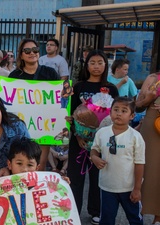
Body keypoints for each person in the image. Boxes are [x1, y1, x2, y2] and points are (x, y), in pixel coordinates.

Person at [67, 49, 119, 225]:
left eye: (100, 63)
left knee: (98, 177)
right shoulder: (78, 87)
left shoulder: (111, 89)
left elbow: (115, 113)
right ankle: (73, 211)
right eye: (92, 63)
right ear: (87, 65)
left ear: (106, 66)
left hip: (102, 143)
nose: (96, 66)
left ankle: (96, 211)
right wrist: (77, 134)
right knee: (76, 177)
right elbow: (70, 114)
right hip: (79, 142)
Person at [90, 97, 145, 225]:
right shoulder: (102, 133)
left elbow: (140, 163)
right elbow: (94, 150)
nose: (119, 113)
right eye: (116, 110)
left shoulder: (136, 137)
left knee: (135, 219)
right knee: (107, 220)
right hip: (107, 186)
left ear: (132, 116)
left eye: (124, 111)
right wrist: (95, 158)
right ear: (110, 113)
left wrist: (137, 188)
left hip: (128, 188)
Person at [9, 38, 60, 171]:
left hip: (44, 126)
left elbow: (59, 98)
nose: (32, 53)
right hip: (21, 129)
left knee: (39, 166)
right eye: (27, 50)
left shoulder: (50, 73)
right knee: (22, 166)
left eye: (35, 50)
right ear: (21, 54)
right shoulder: (14, 75)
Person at [135, 71, 160, 225]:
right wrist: (148, 99)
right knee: (150, 169)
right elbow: (136, 106)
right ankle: (140, 212)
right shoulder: (153, 78)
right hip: (153, 127)